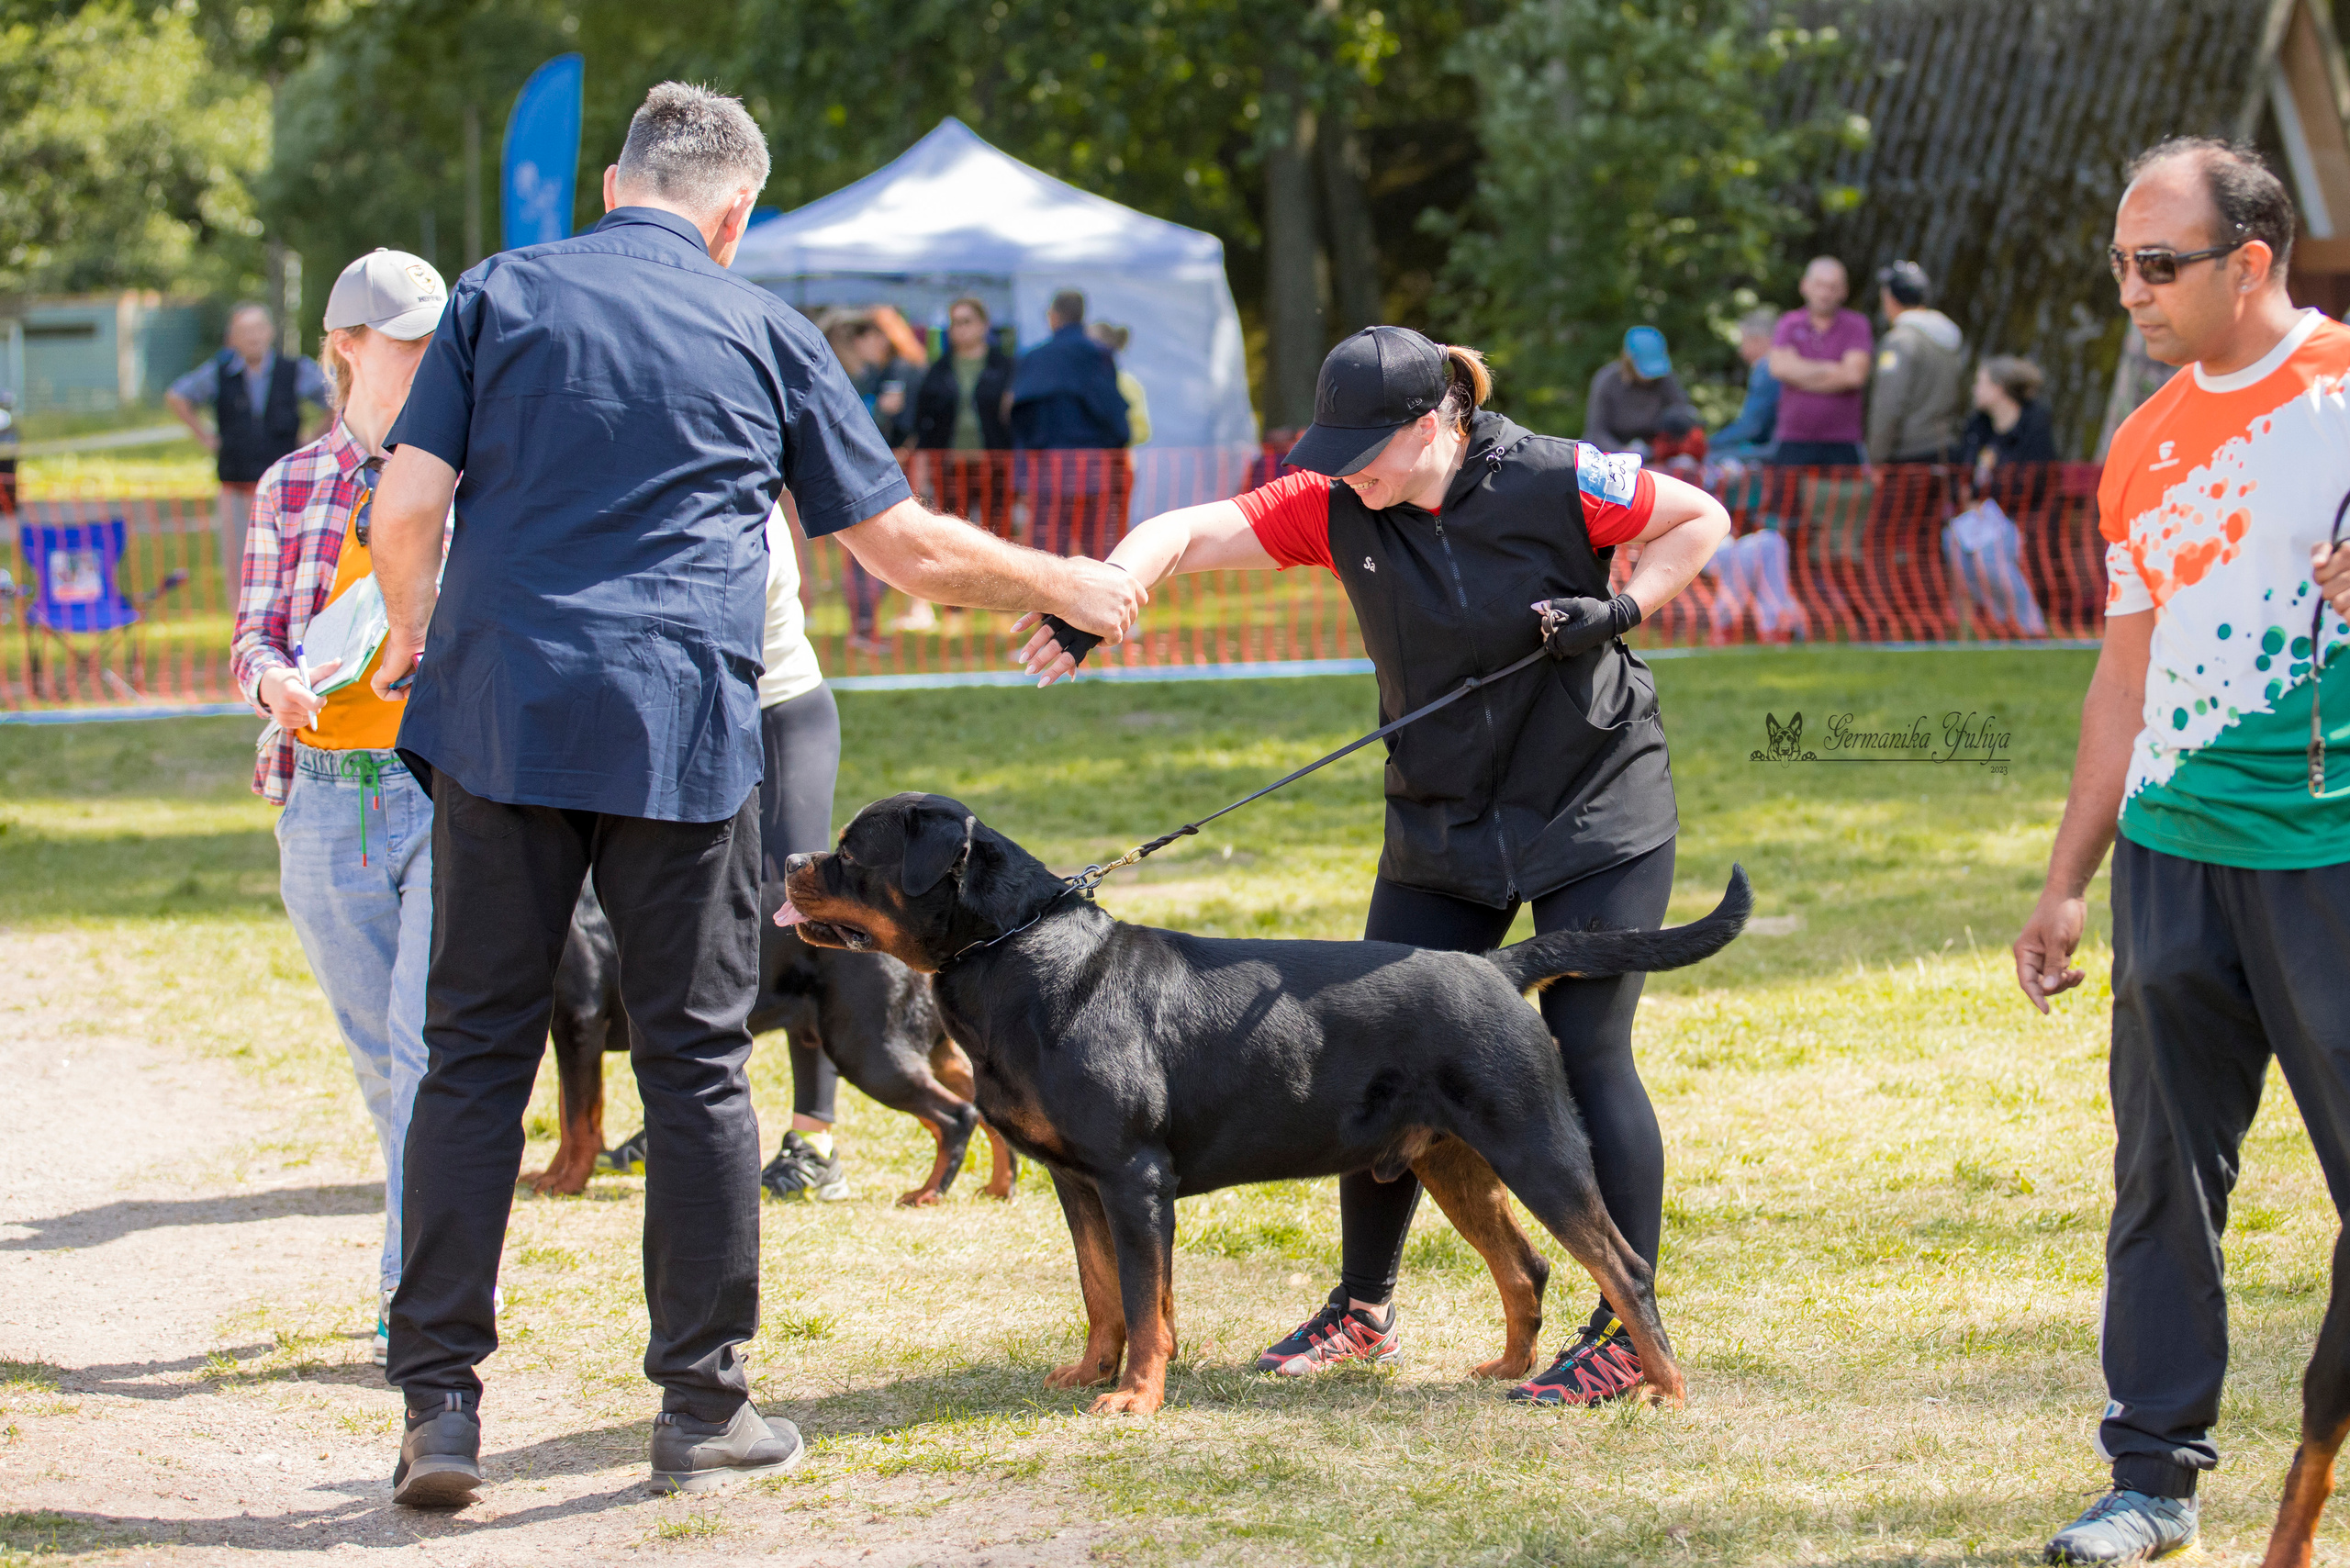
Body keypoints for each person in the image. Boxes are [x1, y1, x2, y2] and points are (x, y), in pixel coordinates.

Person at [364, 82, 1143, 1506]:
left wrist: (414, 632)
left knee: (472, 1055)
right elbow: (899, 548)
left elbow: (406, 509)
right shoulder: (764, 327)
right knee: (698, 1061)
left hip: (499, 718)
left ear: (614, 185)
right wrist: (1063, 580)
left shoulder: (495, 294)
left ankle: (440, 1413)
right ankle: (701, 1410)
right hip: (677, 721)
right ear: (735, 219)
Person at [1016, 325, 1731, 1406]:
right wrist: (1100, 597)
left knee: (1586, 1044)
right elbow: (1183, 530)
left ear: (1434, 421)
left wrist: (1621, 609)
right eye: (1333, 447)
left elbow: (1700, 518)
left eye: (1366, 447)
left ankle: (1621, 1333)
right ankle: (1363, 1306)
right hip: (1442, 811)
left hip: (1594, 801)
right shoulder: (1335, 499)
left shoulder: (1551, 473)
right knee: (1368, 1032)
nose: (1344, 467)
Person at [2011, 137, 2350, 1565]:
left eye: (2161, 266)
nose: (2132, 293)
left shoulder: (2344, 393)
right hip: (2172, 850)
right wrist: (2068, 877)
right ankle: (2150, 1479)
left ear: (2252, 262)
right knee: (2160, 1174)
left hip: (2330, 859)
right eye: (2121, 265)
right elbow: (2121, 678)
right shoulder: (2143, 443)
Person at [225, 247, 449, 1370]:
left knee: (424, 1058)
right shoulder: (289, 485)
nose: (425, 357)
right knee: (380, 1065)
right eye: (405, 339)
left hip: (440, 796)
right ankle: (429, 1264)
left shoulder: (474, 473)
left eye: (434, 338)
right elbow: (252, 633)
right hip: (322, 802)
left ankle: (412, 1302)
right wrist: (272, 680)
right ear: (348, 347)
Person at [744, 497, 855, 1203]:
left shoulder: (747, 491)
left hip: (776, 713)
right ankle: (672, 1117)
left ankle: (815, 1138)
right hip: (690, 713)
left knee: (801, 916)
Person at [167, 304, 330, 581]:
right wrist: (203, 435)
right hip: (236, 482)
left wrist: (314, 438)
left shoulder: (294, 369)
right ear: (232, 338)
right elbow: (177, 396)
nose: (253, 337)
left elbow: (338, 399)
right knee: (239, 562)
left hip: (286, 484)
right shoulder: (219, 371)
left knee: (290, 560)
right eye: (244, 331)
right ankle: (241, 622)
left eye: (258, 329)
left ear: (269, 332)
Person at [1010, 287, 1130, 556]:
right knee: (1099, 544)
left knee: (1049, 548)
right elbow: (1112, 409)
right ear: (1082, 316)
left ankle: (1051, 599)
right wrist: (1117, 445)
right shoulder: (1098, 355)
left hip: (1048, 463)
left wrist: (1025, 463)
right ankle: (1105, 596)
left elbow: (1019, 415)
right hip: (1095, 462)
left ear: (1053, 316)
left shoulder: (1034, 358)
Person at [1767, 257, 1873, 466]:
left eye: (1832, 287)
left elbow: (1854, 376)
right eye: (1819, 285)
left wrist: (1800, 374)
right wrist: (1832, 370)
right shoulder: (1789, 323)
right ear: (1805, 286)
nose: (1825, 294)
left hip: (1843, 441)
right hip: (1792, 439)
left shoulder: (1857, 325)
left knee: (1842, 500)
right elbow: (1779, 368)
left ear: (1844, 291)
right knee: (1785, 499)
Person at [1864, 260, 1966, 465]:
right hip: (1944, 449)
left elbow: (1889, 404)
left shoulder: (1899, 341)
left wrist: (1875, 457)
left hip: (1908, 454)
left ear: (1889, 298)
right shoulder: (1947, 339)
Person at [912, 297, 1013, 454]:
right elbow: (924, 417)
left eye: (966, 321)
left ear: (984, 325)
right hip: (945, 462)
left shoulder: (1005, 367)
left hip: (995, 460)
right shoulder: (939, 369)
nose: (960, 329)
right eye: (955, 323)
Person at [1583, 326, 1694, 455]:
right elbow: (1596, 433)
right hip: (1613, 452)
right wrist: (1623, 452)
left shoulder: (1666, 379)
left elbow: (1682, 410)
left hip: (1653, 449)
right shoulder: (1607, 381)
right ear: (1628, 360)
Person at [1954, 355, 2060, 487]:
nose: (1974, 389)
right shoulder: (1976, 426)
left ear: (1998, 388)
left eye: (1980, 383)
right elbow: (1961, 474)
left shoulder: (2035, 430)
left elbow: (2036, 486)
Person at [1711, 308, 1782, 460]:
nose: (1740, 351)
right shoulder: (1779, 366)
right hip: (1779, 445)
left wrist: (1709, 443)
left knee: (1708, 459)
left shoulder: (1766, 369)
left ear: (1758, 340)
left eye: (1743, 342)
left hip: (1774, 450)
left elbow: (1751, 428)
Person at [1088, 321, 1152, 446]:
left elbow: (1142, 431)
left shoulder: (1126, 383)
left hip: (1111, 460)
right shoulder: (1130, 383)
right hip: (1114, 461)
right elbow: (1142, 431)